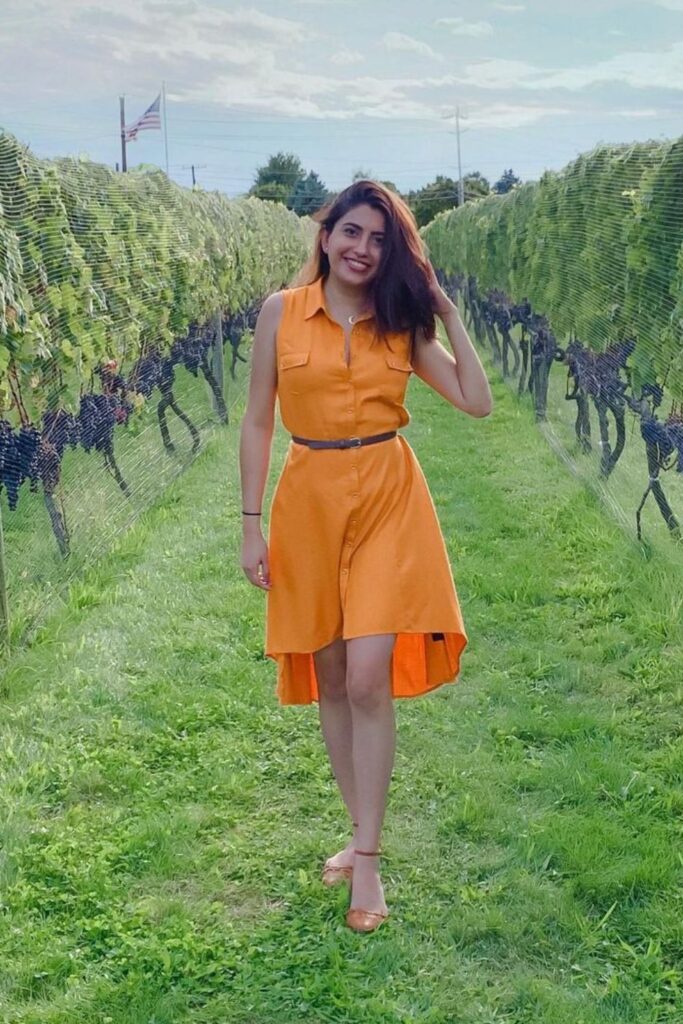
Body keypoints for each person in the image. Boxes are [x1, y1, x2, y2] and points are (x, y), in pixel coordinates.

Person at [239, 180, 492, 933]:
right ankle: (356, 832)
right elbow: (256, 423)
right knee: (327, 675)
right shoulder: (280, 314)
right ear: (325, 235)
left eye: (380, 240)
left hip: (386, 492)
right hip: (309, 497)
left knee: (366, 673)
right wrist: (250, 524)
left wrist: (447, 313)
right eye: (352, 232)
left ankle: (370, 864)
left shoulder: (400, 321)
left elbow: (475, 401)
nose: (363, 249)